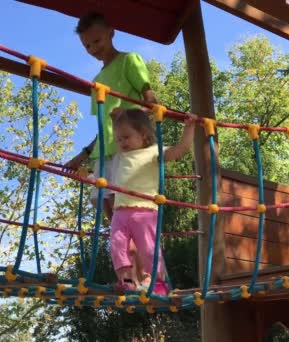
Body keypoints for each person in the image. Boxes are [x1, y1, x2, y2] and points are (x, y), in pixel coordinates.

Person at [64, 11, 157, 286]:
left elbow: (149, 100)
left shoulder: (129, 60)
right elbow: (103, 127)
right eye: (88, 46)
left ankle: (144, 278)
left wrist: (136, 122)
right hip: (102, 153)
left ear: (111, 33)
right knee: (114, 218)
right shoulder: (97, 82)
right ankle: (127, 279)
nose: (93, 49)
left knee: (129, 212)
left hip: (125, 151)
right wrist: (84, 153)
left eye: (97, 41)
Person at [109, 108, 196, 294]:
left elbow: (179, 151)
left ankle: (157, 283)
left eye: (126, 137)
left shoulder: (153, 152)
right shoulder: (119, 158)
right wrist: (115, 119)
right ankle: (127, 282)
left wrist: (189, 129)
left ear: (143, 135)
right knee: (118, 248)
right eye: (119, 139)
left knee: (149, 250)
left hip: (145, 211)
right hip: (120, 212)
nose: (122, 142)